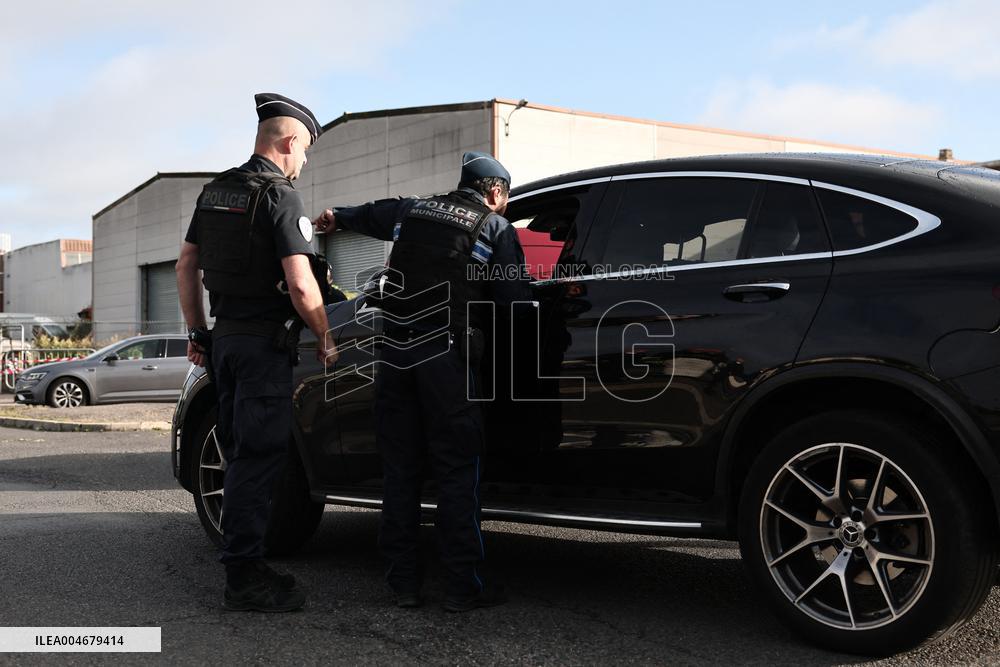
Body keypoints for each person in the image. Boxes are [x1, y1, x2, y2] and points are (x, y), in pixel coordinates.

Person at [313, 151, 530, 611]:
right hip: (447, 362)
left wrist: (338, 218)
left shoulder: (414, 209)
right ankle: (461, 586)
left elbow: (373, 213)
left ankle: (403, 584)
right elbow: (513, 303)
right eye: (505, 197)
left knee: (402, 472)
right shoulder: (494, 229)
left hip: (394, 358)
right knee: (455, 473)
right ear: (495, 192)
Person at [175, 92, 337, 612]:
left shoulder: (215, 191)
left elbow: (185, 266)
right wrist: (326, 336)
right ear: (289, 141)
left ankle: (247, 561)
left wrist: (199, 333)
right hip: (264, 346)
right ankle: (244, 576)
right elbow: (301, 284)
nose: (304, 161)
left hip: (224, 341)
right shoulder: (280, 196)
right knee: (257, 456)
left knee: (236, 450)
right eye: (305, 151)